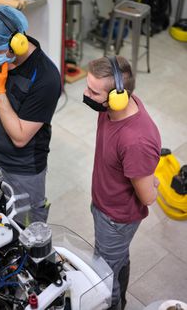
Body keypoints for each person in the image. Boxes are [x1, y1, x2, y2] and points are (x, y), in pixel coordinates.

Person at [0, 5, 61, 225]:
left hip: (23, 171)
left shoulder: (46, 78)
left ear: (15, 45)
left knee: (24, 226)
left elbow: (20, 138)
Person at [83, 55, 161, 310]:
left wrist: (152, 181)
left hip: (116, 219)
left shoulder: (136, 141)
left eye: (93, 92)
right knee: (115, 261)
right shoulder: (111, 109)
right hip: (103, 204)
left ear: (118, 95)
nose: (86, 94)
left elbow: (148, 197)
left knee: (104, 278)